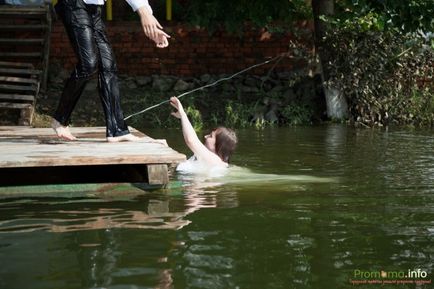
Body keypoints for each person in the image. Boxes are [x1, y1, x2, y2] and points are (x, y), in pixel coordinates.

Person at [52, 0, 170, 142]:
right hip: (74, 5)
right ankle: (60, 119)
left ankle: (117, 130)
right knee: (88, 64)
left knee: (108, 66)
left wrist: (147, 15)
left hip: (94, 9)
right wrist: (144, 13)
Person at [169, 97, 238, 173]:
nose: (205, 136)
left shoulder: (216, 161)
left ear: (220, 145)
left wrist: (183, 114)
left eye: (211, 136)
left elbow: (190, 140)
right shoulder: (208, 159)